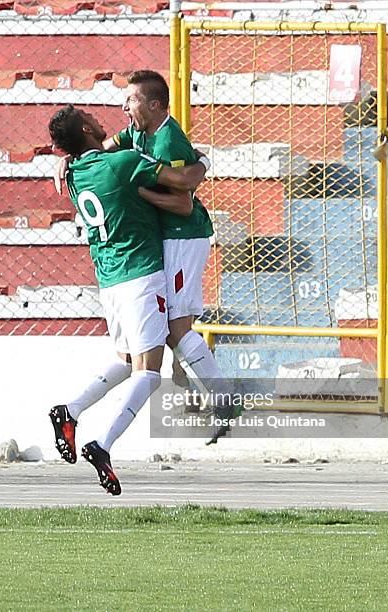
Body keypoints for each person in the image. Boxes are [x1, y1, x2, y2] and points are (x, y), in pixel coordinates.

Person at [55, 70, 238, 440]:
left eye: (132, 100)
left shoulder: (168, 141)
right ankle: (208, 388)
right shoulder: (136, 131)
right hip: (160, 240)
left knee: (176, 328)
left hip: (183, 237)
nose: (125, 106)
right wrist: (68, 158)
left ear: (154, 105)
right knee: (163, 335)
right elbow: (101, 152)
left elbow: (184, 202)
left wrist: (139, 193)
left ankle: (225, 398)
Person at [48, 105, 210, 495]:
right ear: (87, 128)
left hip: (108, 279)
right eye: (93, 119)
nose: (105, 122)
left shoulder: (72, 174)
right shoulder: (121, 163)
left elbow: (90, 152)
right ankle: (103, 446)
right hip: (140, 273)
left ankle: (70, 411)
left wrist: (65, 158)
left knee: (124, 360)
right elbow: (183, 179)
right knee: (148, 372)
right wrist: (203, 160)